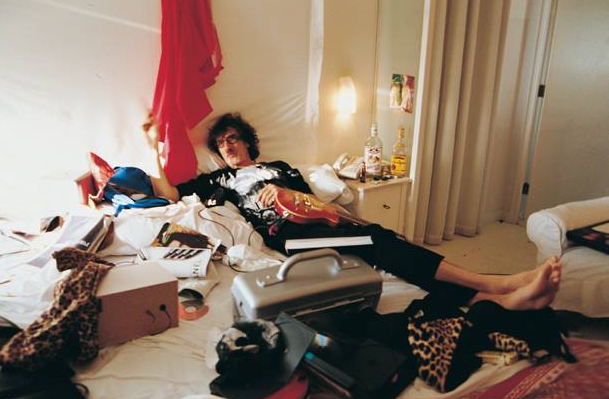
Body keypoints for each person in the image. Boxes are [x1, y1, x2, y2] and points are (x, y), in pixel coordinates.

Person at [144, 112, 561, 311]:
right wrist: (152, 146)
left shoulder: (282, 167)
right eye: (221, 144)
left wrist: (287, 192)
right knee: (378, 241)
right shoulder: (220, 180)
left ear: (248, 141)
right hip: (286, 235)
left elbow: (316, 202)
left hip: (318, 221)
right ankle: (497, 284)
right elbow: (169, 193)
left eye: (234, 138)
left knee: (385, 242)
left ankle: (490, 299)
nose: (228, 146)